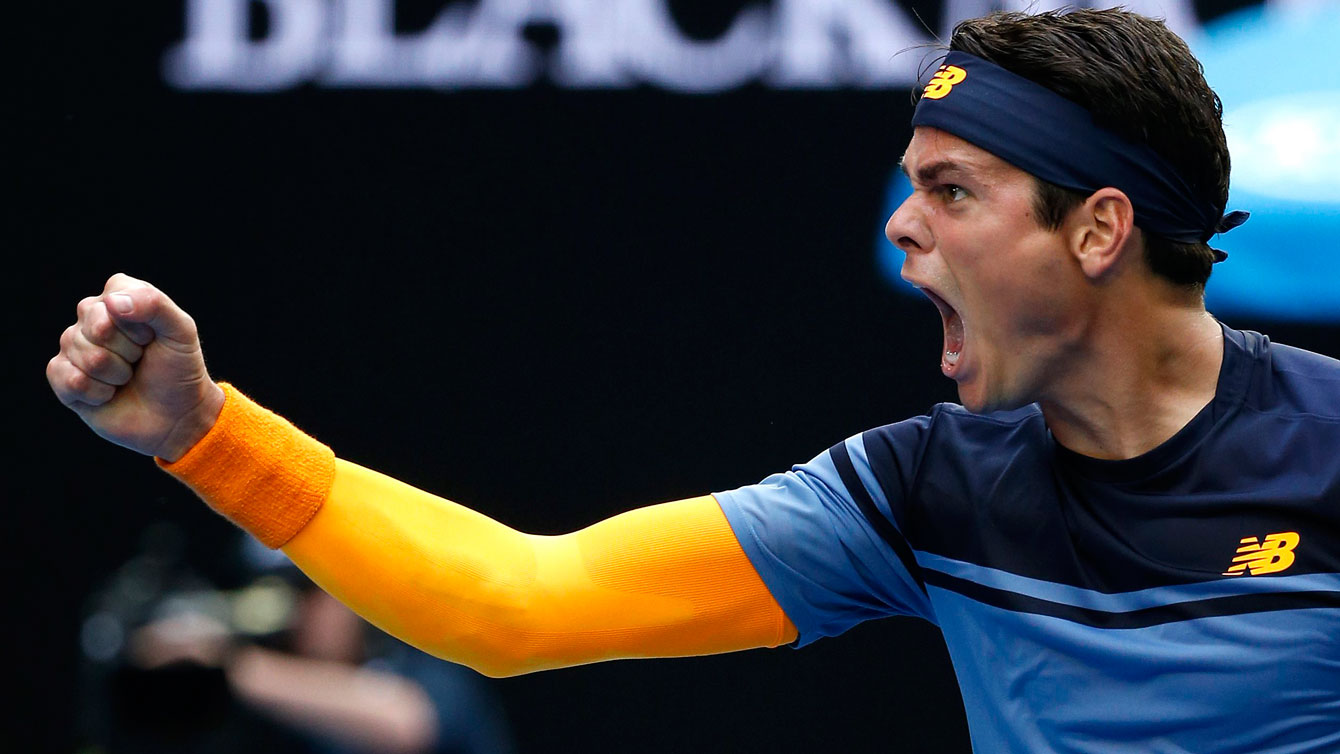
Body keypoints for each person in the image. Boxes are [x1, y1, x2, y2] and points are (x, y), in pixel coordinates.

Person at [48, 8, 1340, 753]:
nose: (902, 226)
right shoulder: (922, 490)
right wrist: (207, 436)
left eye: (951, 191)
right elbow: (516, 603)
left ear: (1100, 231)